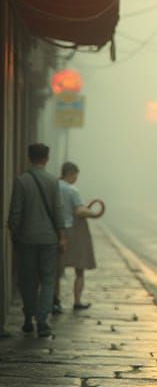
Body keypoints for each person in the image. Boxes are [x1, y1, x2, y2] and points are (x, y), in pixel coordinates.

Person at [7, 143, 64, 338]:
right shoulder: (52, 181)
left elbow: (15, 212)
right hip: (49, 239)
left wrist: (14, 234)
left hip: (27, 239)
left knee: (27, 280)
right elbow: (58, 211)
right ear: (46, 159)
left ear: (28, 158)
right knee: (48, 279)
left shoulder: (21, 181)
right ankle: (42, 321)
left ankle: (28, 317)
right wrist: (62, 236)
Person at [54, 162, 101, 311]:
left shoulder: (54, 187)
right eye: (76, 175)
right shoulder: (71, 190)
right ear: (71, 173)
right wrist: (94, 213)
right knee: (79, 269)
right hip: (73, 231)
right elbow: (79, 211)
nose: (76, 179)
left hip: (57, 231)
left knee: (56, 271)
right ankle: (77, 301)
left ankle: (55, 302)